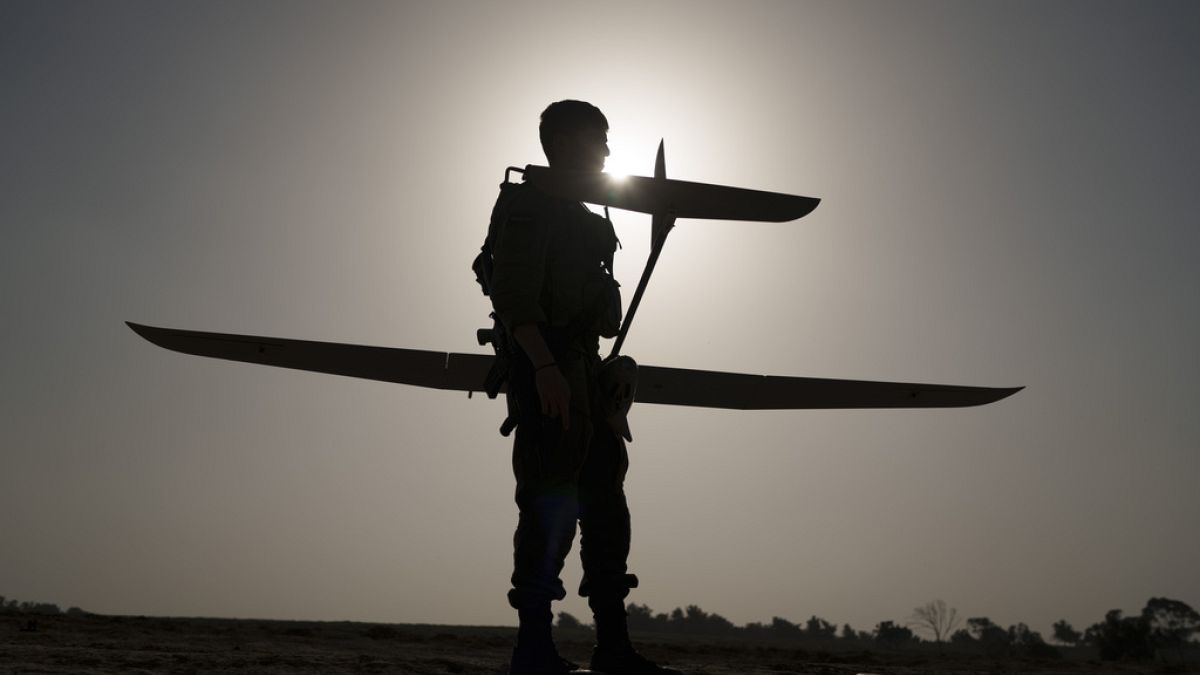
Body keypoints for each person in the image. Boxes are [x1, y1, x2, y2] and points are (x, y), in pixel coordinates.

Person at [485, 100, 681, 675]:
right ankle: (534, 648)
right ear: (566, 142)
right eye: (600, 139)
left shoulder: (584, 210)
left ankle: (612, 646)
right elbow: (514, 296)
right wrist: (544, 369)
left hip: (584, 368)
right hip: (547, 366)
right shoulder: (530, 203)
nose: (608, 151)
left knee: (605, 503)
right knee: (549, 502)